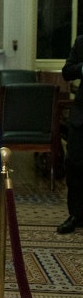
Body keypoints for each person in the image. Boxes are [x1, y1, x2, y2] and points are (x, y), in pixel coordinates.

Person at [58, 35, 83, 234]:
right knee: (74, 165)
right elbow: (67, 71)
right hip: (81, 117)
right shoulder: (81, 41)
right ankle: (75, 213)